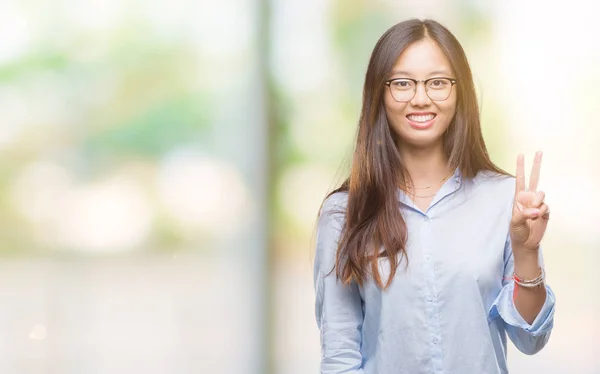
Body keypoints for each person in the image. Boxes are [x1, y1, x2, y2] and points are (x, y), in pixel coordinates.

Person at [313, 19, 555, 374]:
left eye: (438, 82)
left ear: (460, 92)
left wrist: (526, 252)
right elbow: (339, 358)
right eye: (402, 83)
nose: (421, 98)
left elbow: (530, 339)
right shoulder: (342, 213)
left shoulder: (505, 199)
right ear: (379, 93)